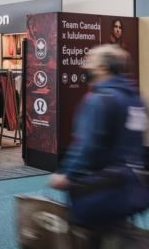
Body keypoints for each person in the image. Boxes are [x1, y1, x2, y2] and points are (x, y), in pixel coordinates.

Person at [49, 45, 149, 233]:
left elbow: (86, 146)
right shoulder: (136, 99)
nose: (84, 66)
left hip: (98, 192)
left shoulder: (99, 100)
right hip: (129, 189)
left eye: (90, 61)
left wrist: (66, 174)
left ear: (103, 67)